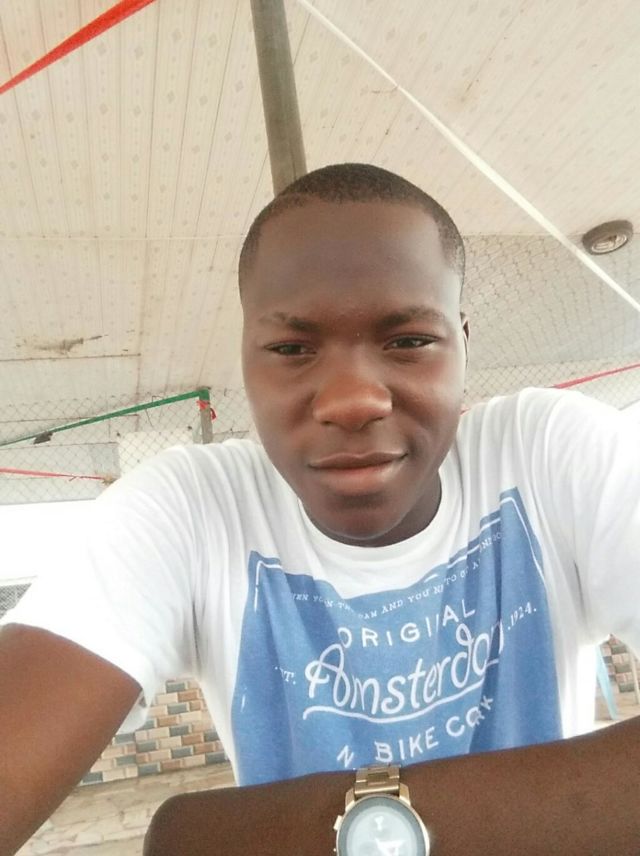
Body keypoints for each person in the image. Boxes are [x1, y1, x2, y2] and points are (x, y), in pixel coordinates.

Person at [1, 163, 639, 856]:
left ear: (462, 344)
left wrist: (216, 838)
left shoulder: (549, 454)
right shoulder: (192, 511)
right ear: (246, 362)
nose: (351, 400)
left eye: (409, 341)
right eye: (291, 349)